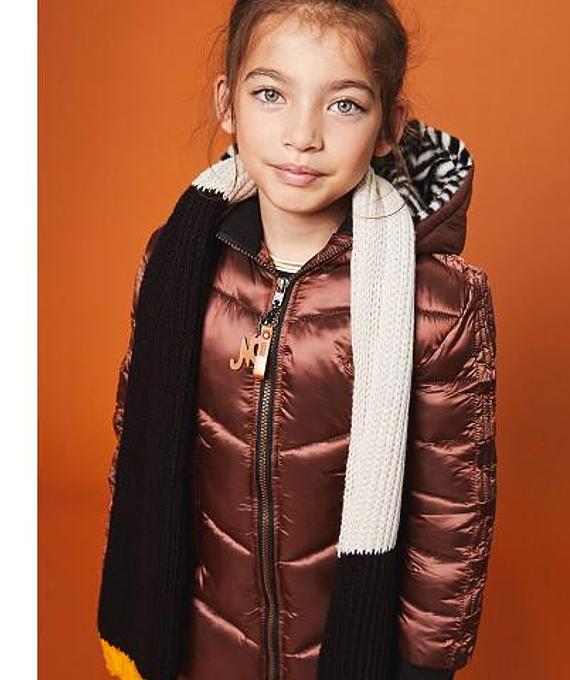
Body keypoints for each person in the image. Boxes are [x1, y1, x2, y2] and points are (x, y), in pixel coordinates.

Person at [96, 2, 498, 680]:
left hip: (349, 653)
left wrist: (423, 669)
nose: (302, 135)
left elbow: (451, 519)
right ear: (228, 103)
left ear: (388, 127)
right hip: (199, 644)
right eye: (271, 94)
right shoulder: (177, 266)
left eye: (343, 105)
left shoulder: (439, 304)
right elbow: (134, 444)